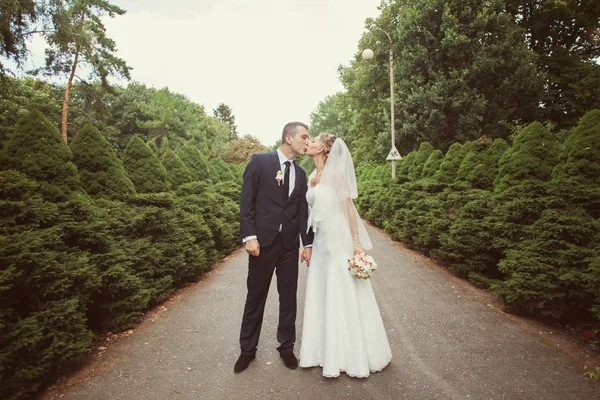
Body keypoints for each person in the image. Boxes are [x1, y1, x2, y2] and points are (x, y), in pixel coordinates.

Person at [299, 133, 392, 378]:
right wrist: (307, 245)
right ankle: (323, 351)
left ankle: (353, 353)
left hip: (338, 239)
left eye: (314, 140)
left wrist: (357, 243)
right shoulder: (312, 177)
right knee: (323, 288)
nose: (309, 143)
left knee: (343, 289)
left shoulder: (336, 175)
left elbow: (349, 210)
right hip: (321, 242)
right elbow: (311, 214)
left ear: (323, 149)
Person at [235, 122, 314, 373]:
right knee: (255, 297)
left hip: (289, 245)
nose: (307, 141)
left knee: (288, 298)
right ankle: (247, 350)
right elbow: (247, 200)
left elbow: (302, 212)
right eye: (304, 136)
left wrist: (308, 243)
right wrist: (249, 236)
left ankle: (286, 348)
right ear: (288, 138)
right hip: (263, 244)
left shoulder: (301, 175)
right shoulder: (260, 161)